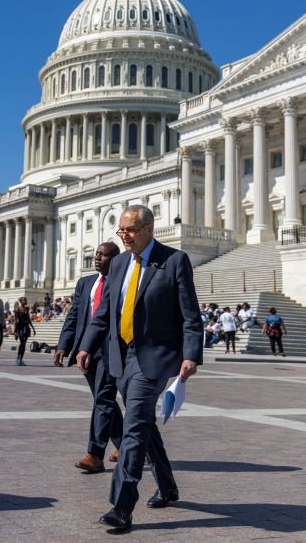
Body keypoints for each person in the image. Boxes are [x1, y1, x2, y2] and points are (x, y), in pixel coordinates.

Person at [76, 205, 203, 533]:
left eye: (129, 230)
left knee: (133, 425)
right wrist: (86, 345)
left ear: (149, 228)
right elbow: (105, 312)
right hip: (121, 355)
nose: (123, 236)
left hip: (155, 357)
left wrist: (191, 355)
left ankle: (121, 506)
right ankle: (168, 485)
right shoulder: (118, 264)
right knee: (144, 423)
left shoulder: (174, 260)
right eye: (120, 230)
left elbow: (190, 313)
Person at [55, 241, 123, 473]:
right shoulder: (85, 283)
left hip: (109, 349)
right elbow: (74, 315)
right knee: (104, 399)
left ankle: (95, 454)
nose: (97, 259)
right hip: (86, 349)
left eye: (103, 256)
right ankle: (124, 444)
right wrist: (63, 345)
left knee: (103, 399)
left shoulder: (121, 282)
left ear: (115, 259)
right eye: (96, 254)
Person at [13, 297, 35, 366]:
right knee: (22, 343)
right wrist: (15, 331)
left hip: (26, 327)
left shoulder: (26, 309)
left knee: (24, 344)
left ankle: (20, 359)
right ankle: (18, 358)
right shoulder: (17, 310)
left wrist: (33, 328)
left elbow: (28, 319)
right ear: (20, 301)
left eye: (26, 300)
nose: (25, 301)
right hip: (20, 328)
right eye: (24, 300)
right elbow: (15, 321)